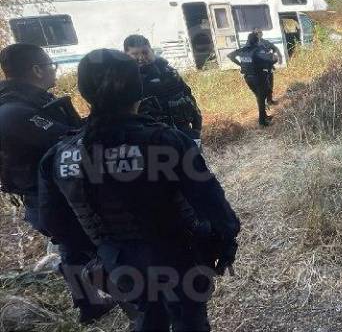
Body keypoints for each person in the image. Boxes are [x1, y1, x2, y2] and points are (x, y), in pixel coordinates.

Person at [38, 49, 240, 331]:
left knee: (147, 317)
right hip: (178, 257)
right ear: (138, 89)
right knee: (189, 321)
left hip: (118, 262)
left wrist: (101, 252)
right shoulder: (166, 141)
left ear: (83, 92)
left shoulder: (61, 154)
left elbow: (53, 223)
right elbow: (212, 203)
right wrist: (225, 241)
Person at [0, 44, 114, 324]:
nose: (54, 70)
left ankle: (89, 304)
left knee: (71, 247)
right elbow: (68, 139)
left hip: (52, 193)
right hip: (50, 195)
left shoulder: (25, 103)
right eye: (51, 65)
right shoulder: (15, 112)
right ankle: (134, 300)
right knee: (95, 246)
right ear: (37, 69)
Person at [123, 35, 203, 144]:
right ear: (126, 55)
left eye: (145, 52)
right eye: (135, 54)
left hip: (185, 134)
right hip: (151, 140)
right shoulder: (125, 82)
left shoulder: (170, 73)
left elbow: (189, 98)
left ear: (151, 51)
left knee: (194, 160)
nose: (141, 57)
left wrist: (196, 129)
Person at [227, 29, 283, 127]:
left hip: (248, 78)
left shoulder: (243, 50)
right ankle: (262, 122)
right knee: (261, 98)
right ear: (256, 40)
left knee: (260, 96)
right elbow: (271, 59)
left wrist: (240, 64)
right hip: (258, 77)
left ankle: (264, 116)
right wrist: (273, 61)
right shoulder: (257, 50)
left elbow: (230, 55)